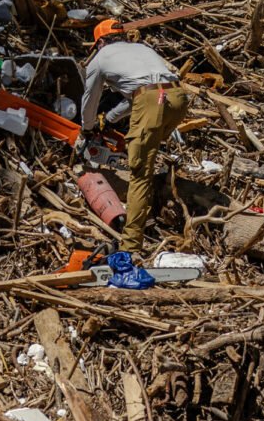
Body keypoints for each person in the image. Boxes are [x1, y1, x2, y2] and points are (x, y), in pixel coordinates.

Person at [77, 19, 191, 250]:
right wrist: (108, 120)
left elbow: (89, 100)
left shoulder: (100, 58)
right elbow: (140, 94)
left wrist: (87, 127)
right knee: (145, 157)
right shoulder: (142, 49)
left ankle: (130, 245)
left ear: (100, 42)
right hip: (178, 98)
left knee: (140, 174)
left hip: (152, 102)